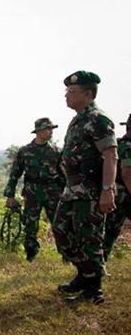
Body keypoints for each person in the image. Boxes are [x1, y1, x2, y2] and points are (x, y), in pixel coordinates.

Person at [52, 71, 117, 305]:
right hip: (72, 189)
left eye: (72, 92)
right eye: (67, 92)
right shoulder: (78, 119)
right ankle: (85, 274)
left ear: (88, 94)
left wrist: (108, 189)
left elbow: (111, 156)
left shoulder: (98, 119)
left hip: (91, 190)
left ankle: (94, 289)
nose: (67, 96)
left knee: (89, 238)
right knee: (61, 232)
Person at [2, 118, 65, 262]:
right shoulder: (25, 151)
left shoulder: (56, 151)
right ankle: (31, 254)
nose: (50, 132)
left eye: (51, 129)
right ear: (39, 131)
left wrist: (66, 193)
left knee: (59, 225)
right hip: (32, 193)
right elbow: (15, 174)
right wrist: (10, 196)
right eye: (47, 129)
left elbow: (63, 174)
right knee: (30, 225)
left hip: (53, 192)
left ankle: (65, 255)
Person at [103, 113, 131, 261]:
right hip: (124, 194)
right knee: (110, 230)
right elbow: (127, 174)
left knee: (109, 231)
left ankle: (101, 264)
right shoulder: (127, 146)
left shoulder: (119, 144)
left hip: (118, 192)